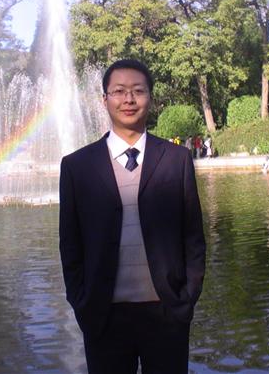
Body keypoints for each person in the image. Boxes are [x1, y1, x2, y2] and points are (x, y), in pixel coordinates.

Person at [59, 59, 206, 374]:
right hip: (103, 315)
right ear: (105, 100)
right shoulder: (76, 166)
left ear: (150, 97)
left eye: (138, 91)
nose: (128, 99)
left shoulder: (176, 159)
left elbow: (193, 236)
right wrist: (81, 302)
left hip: (167, 312)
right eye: (119, 91)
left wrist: (186, 298)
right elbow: (70, 245)